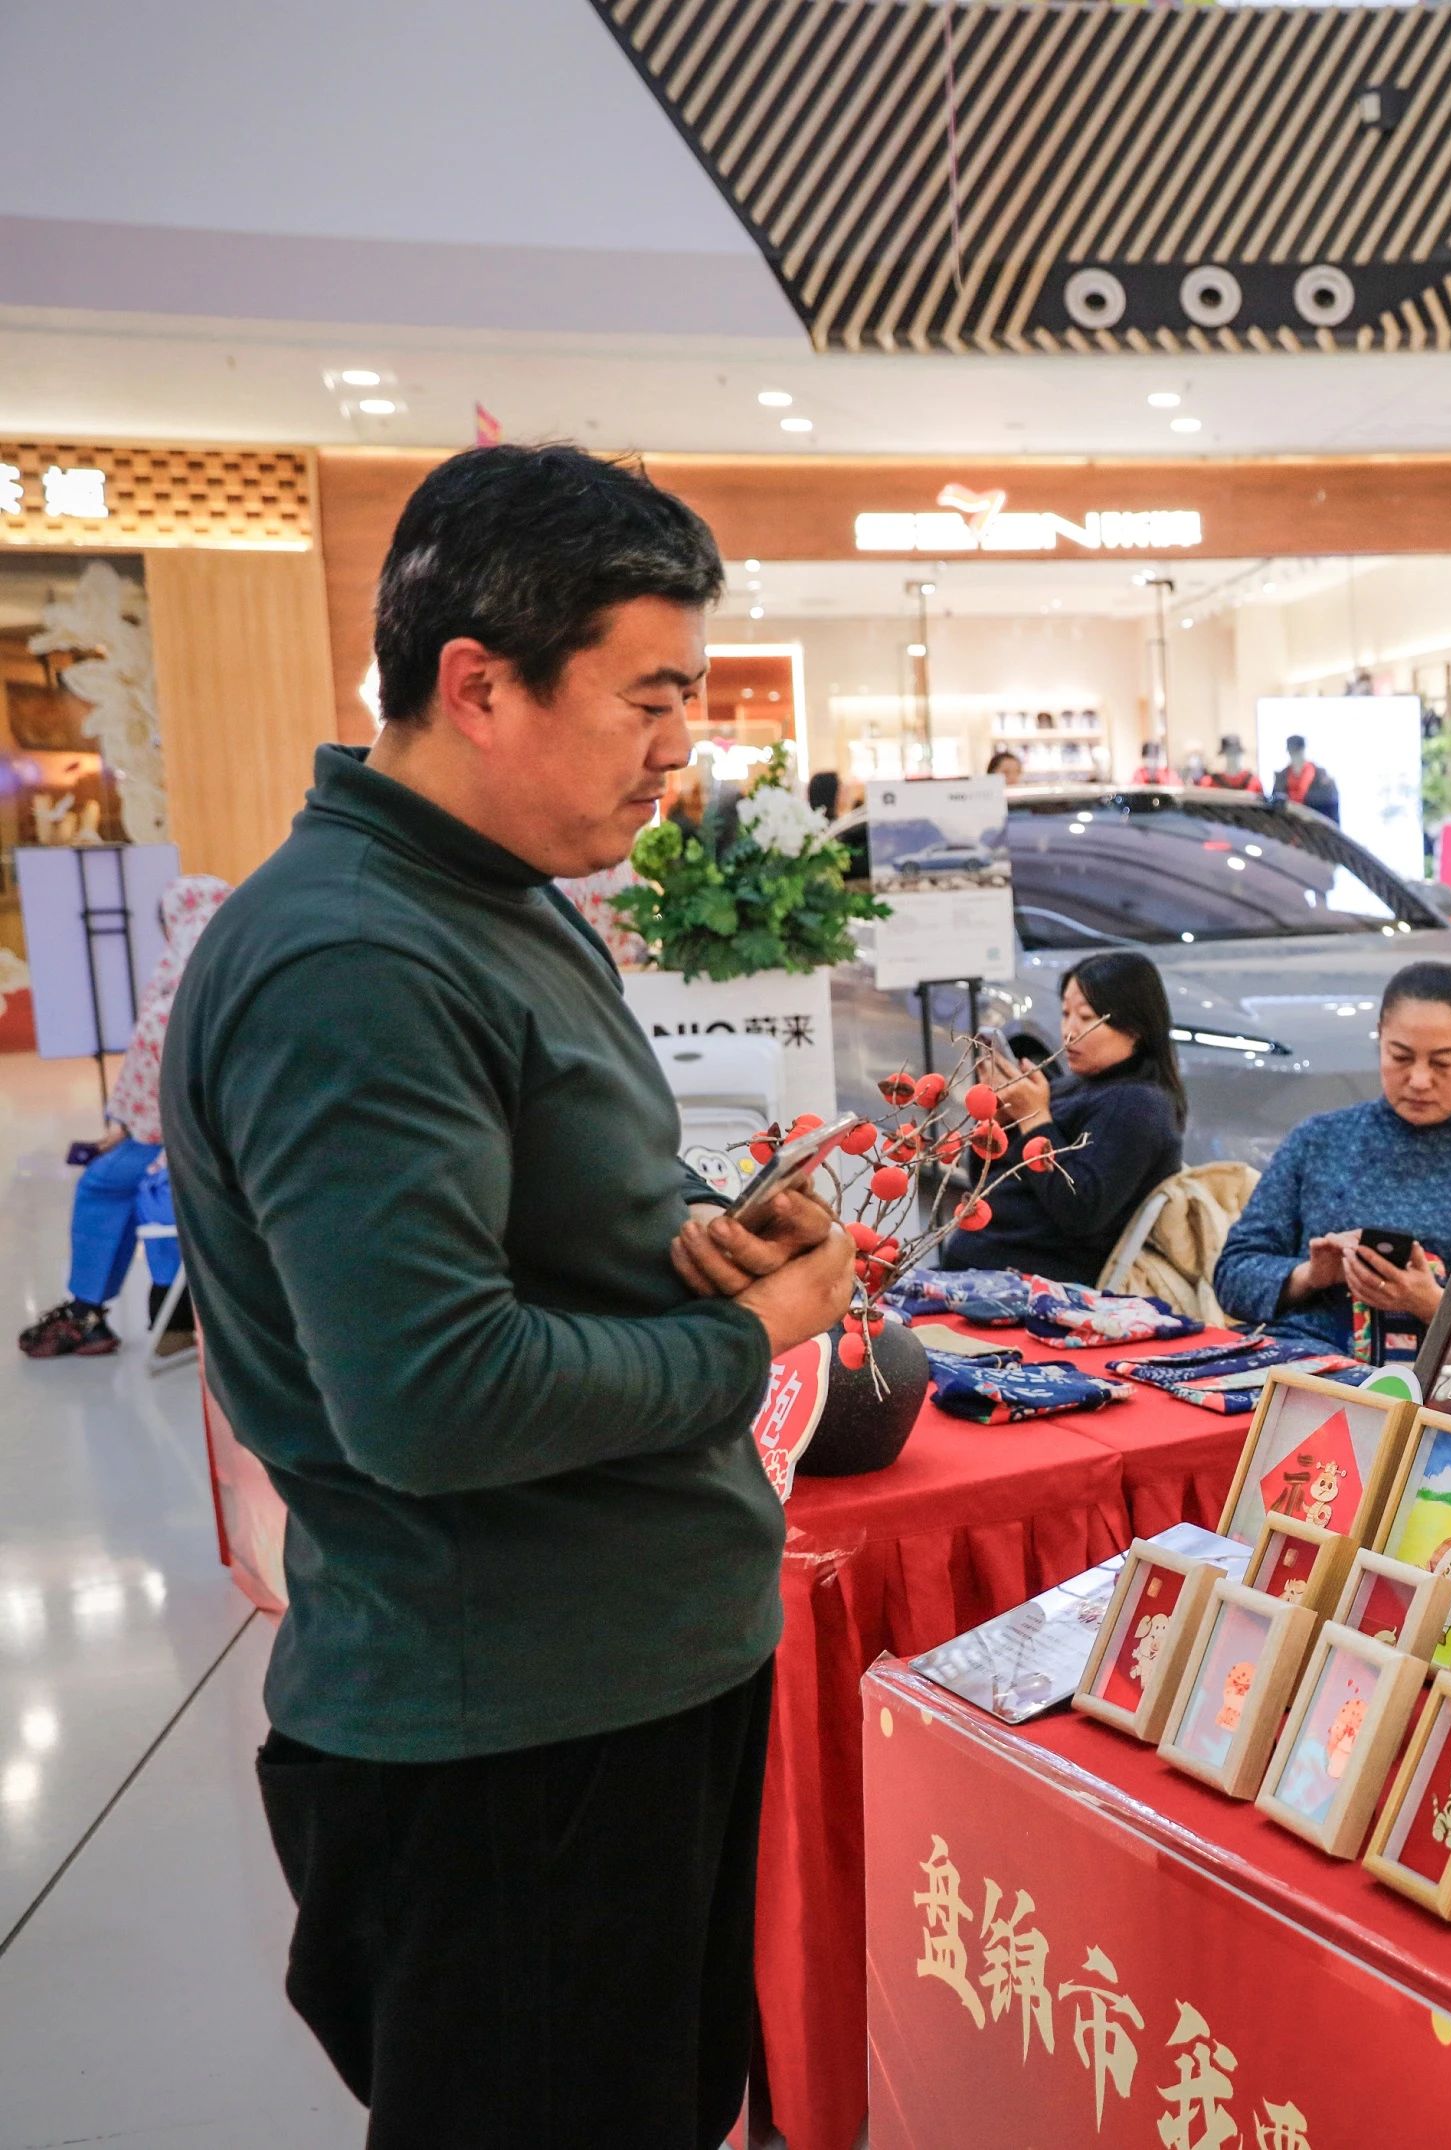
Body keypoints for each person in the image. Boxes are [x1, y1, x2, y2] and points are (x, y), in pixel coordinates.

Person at [161, 443, 856, 2145]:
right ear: (478, 685)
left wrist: (696, 1233)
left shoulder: (497, 897)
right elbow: (432, 1397)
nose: (681, 748)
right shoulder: (355, 960)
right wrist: (743, 1336)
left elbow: (542, 1215)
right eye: (651, 699)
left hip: (620, 1684)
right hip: (514, 1746)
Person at [1213, 961, 1451, 1360]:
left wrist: (1431, 1303)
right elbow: (1232, 1275)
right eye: (1400, 1056)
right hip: (1305, 1359)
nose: (1419, 1080)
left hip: (1435, 1375)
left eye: (1442, 1062)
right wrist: (1309, 1275)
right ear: (1380, 1039)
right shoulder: (1320, 1139)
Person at [19, 872, 230, 1359]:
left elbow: (154, 1109)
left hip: (183, 1144)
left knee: (103, 1184)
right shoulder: (241, 979)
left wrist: (126, 1133)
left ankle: (89, 1312)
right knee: (122, 1179)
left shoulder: (170, 1003)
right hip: (224, 1140)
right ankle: (109, 1311)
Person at [940, 950, 1186, 1284]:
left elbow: (1081, 1211)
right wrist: (998, 1122)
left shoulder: (1138, 1105)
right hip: (980, 1269)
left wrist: (1033, 1119)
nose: (1069, 1032)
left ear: (1134, 1028)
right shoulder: (1073, 1085)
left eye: (1086, 1017)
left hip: (1037, 1287)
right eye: (1066, 1014)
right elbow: (985, 1182)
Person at [1276, 733, 1341, 821]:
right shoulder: (1282, 777)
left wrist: (1302, 799)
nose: (1294, 756)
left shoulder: (1321, 776)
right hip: (1288, 824)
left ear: (1303, 750)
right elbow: (1276, 800)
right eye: (1292, 752)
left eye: (1296, 752)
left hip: (1317, 824)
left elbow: (1330, 802)